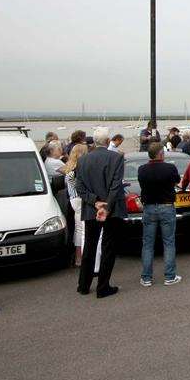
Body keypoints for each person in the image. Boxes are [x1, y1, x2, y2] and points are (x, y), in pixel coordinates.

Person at [74, 128, 124, 298]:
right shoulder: (116, 158)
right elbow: (115, 186)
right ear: (108, 140)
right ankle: (103, 286)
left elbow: (79, 186)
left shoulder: (83, 161)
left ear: (94, 142)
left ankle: (83, 285)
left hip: (91, 208)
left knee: (89, 245)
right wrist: (106, 206)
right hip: (110, 209)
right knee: (108, 247)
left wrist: (95, 202)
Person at [137, 142, 183, 286]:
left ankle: (146, 277)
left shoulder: (142, 170)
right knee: (168, 242)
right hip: (166, 206)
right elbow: (177, 181)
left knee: (148, 243)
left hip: (149, 207)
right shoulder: (170, 168)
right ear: (161, 154)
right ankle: (170, 276)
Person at [63, 143, 87, 266]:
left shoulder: (69, 168)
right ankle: (81, 257)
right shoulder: (78, 170)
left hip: (73, 199)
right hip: (80, 198)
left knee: (78, 228)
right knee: (83, 229)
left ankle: (78, 257)